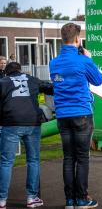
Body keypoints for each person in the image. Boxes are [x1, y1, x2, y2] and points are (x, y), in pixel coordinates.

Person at [49, 23, 102, 209]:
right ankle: (81, 199)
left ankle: (69, 200)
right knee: (82, 157)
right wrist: (89, 59)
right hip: (81, 113)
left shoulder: (53, 62)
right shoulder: (83, 60)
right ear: (78, 39)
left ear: (63, 39)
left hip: (62, 115)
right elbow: (98, 80)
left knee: (68, 158)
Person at [0, 62, 53, 209]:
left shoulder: (3, 82)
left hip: (11, 123)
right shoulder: (32, 79)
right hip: (32, 123)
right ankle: (31, 198)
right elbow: (51, 89)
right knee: (33, 160)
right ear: (20, 70)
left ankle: (2, 199)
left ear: (6, 72)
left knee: (6, 162)